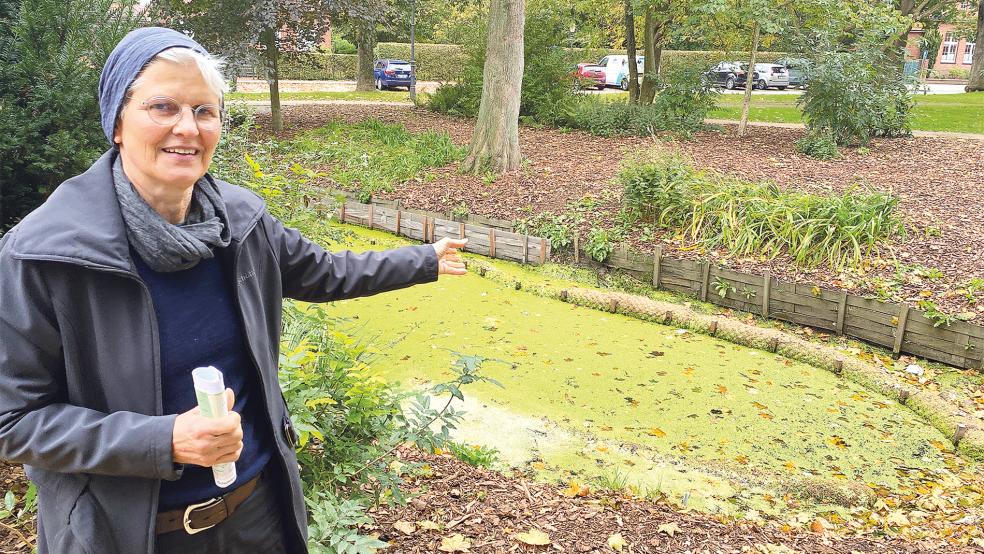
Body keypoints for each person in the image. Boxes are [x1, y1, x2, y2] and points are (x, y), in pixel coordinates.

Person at [0, 27, 467, 553]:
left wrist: (422, 260)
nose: (187, 128)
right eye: (163, 107)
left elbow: (323, 273)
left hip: (257, 516)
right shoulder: (44, 254)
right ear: (117, 122)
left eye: (205, 110)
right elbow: (15, 420)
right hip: (130, 535)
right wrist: (164, 440)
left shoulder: (241, 223)